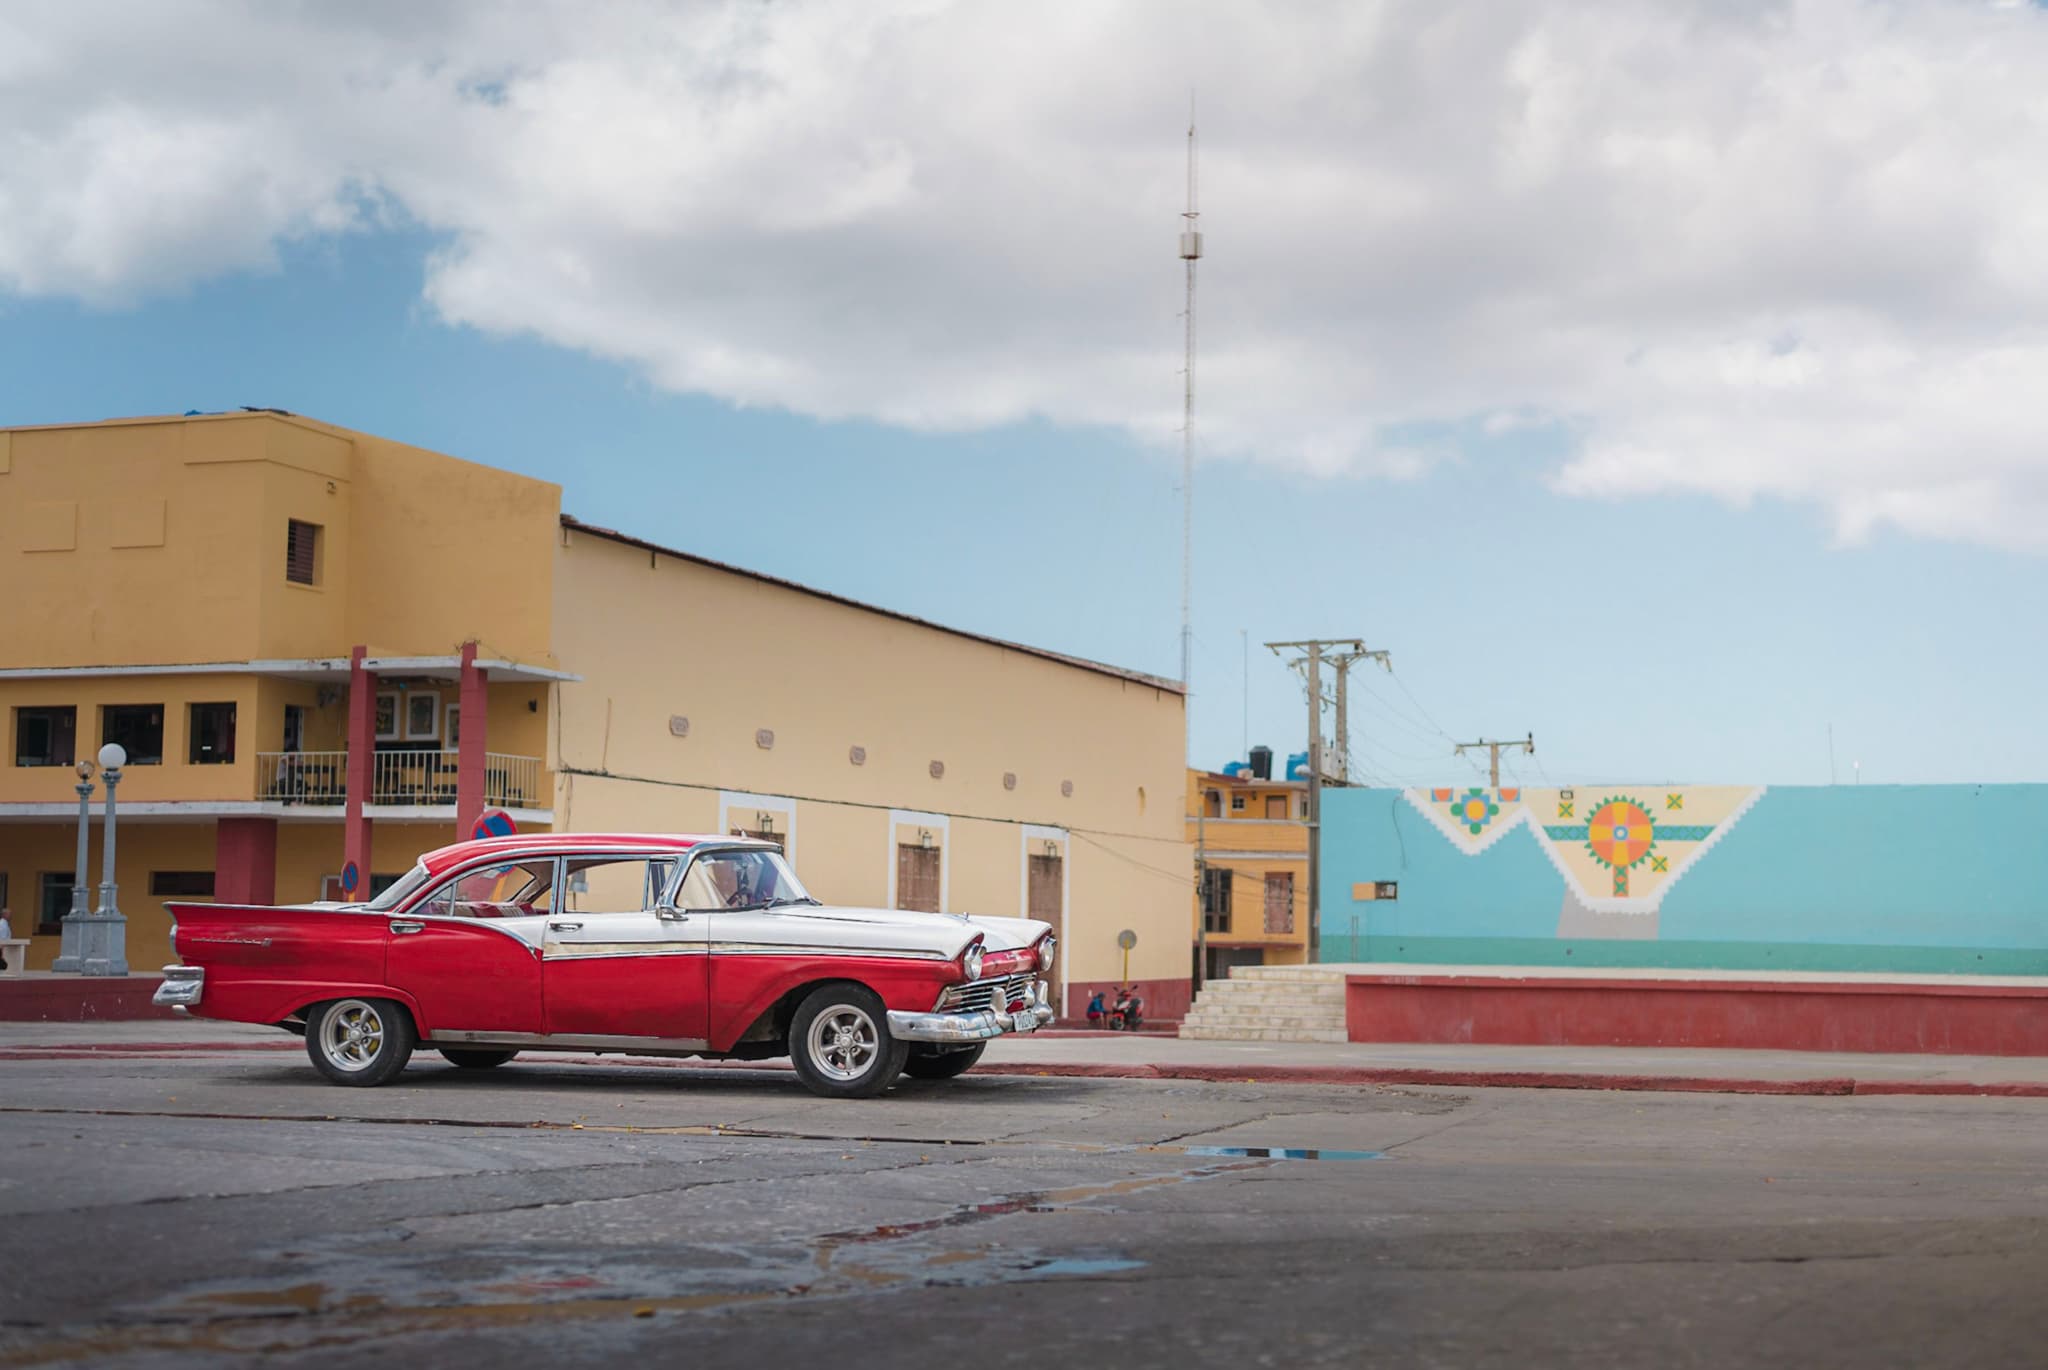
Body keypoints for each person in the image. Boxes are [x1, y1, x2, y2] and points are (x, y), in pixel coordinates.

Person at [0, 907, 11, 972]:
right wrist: (2, 954)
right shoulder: (3, 924)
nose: (10, 916)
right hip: (4, 949)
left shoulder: (4, 923)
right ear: (4, 915)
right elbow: (2, 939)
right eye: (9, 914)